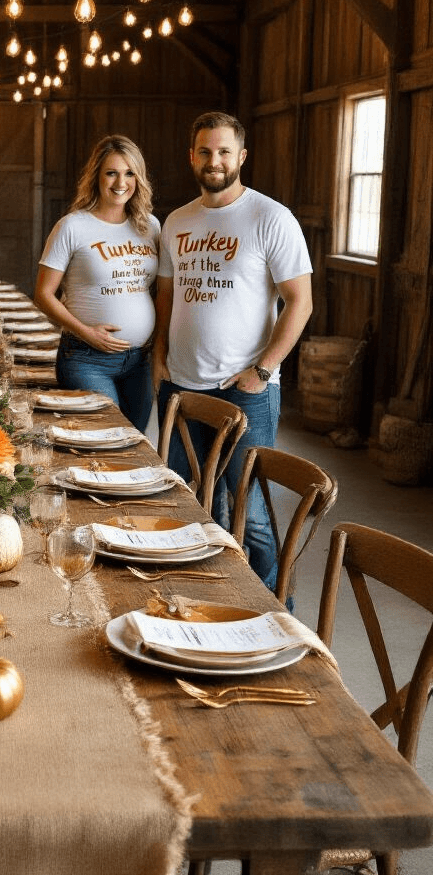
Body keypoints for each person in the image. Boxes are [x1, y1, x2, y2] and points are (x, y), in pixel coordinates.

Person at [152, 111, 313, 591]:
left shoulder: (270, 217)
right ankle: (200, 600)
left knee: (253, 514)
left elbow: (300, 302)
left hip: (243, 390)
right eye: (205, 151)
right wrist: (159, 358)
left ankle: (276, 618)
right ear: (192, 157)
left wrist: (262, 371)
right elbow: (167, 296)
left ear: (241, 156)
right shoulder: (177, 221)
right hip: (181, 386)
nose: (214, 160)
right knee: (188, 504)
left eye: (224, 151)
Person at [34, 134, 160, 432]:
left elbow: (158, 289)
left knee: (132, 445)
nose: (121, 182)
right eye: (111, 172)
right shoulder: (72, 226)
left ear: (139, 179)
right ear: (96, 177)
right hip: (86, 358)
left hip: (139, 360)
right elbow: (43, 294)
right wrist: (87, 333)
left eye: (130, 173)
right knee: (105, 436)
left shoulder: (150, 226)